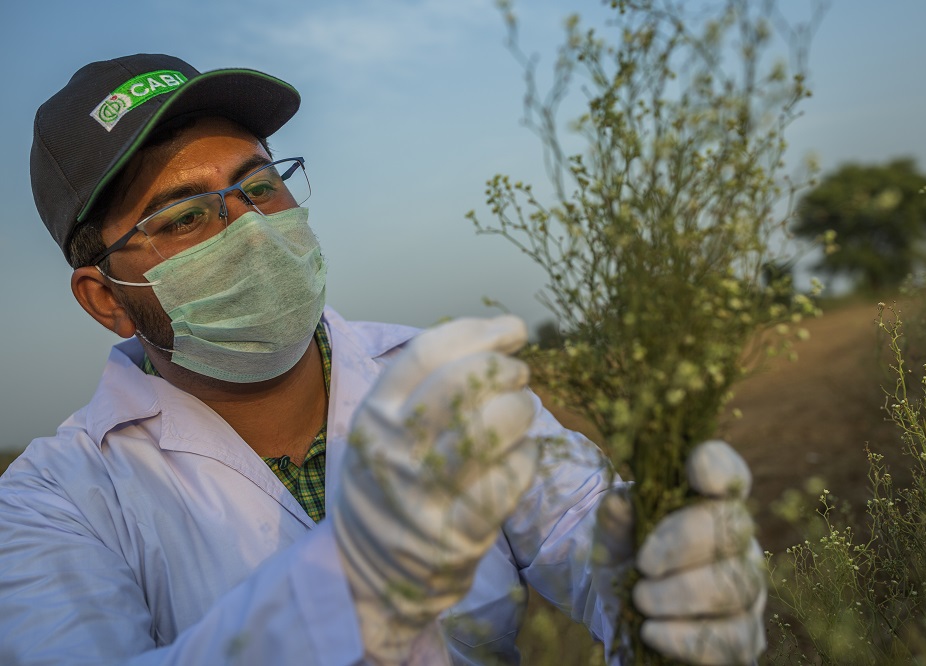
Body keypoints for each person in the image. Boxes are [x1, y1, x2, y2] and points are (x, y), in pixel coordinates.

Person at [0, 53, 766, 665]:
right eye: (188, 215)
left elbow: (576, 525)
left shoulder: (435, 383)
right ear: (104, 296)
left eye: (261, 187)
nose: (251, 231)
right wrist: (352, 581)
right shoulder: (54, 502)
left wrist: (660, 583)